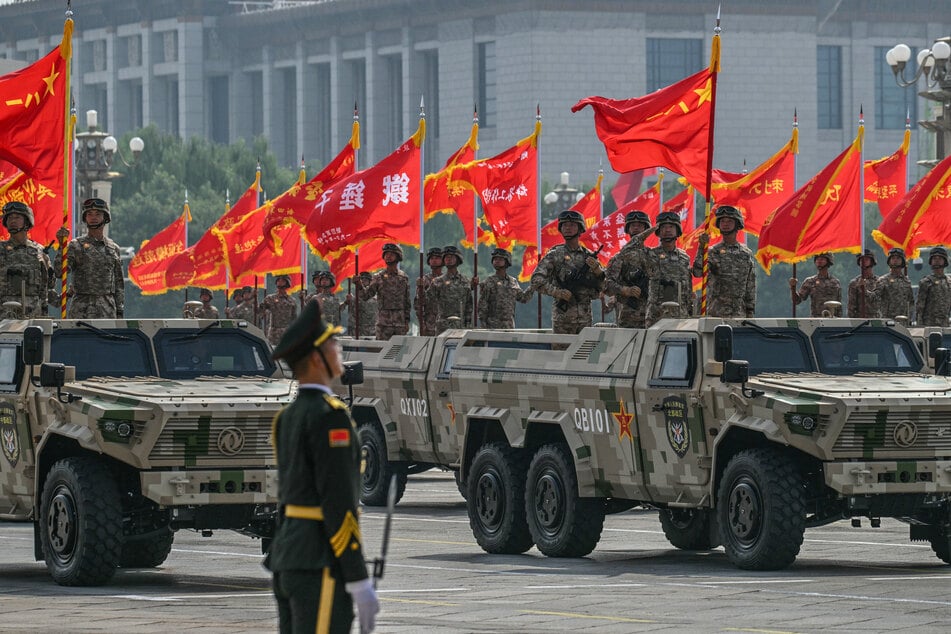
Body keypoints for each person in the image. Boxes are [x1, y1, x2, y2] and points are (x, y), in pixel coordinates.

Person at [268, 300, 379, 634]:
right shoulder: (330, 417)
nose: (339, 350)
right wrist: (358, 577)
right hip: (320, 562)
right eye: (334, 344)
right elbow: (339, 503)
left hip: (289, 555)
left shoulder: (287, 416)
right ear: (317, 359)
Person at [531, 210, 605, 334]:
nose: (567, 228)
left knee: (583, 353)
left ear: (580, 228)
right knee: (560, 353)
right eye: (564, 225)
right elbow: (536, 280)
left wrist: (598, 272)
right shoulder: (555, 255)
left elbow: (605, 288)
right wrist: (558, 292)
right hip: (562, 320)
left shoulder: (589, 257)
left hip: (584, 319)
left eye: (572, 225)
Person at [54, 197, 124, 318]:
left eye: (97, 214)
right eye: (89, 214)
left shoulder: (113, 249)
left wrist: (120, 312)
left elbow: (119, 284)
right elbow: (60, 272)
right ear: (85, 218)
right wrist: (62, 247)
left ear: (105, 218)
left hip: (107, 308)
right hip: (81, 308)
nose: (93, 217)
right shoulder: (75, 245)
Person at [692, 205, 756, 318]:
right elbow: (697, 272)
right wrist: (702, 248)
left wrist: (750, 313)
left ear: (737, 224)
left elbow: (750, 285)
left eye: (729, 221)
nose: (725, 224)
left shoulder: (746, 254)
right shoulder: (712, 252)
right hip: (715, 313)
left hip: (738, 314)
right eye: (722, 221)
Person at [639, 211, 694, 326]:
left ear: (677, 230)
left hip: (681, 316)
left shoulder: (684, 258)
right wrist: (647, 232)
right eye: (663, 227)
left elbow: (688, 287)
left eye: (671, 227)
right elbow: (629, 250)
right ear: (658, 231)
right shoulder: (649, 255)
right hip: (657, 316)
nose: (667, 230)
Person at [0, 201, 53, 319]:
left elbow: (46, 287)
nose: (13, 221)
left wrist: (44, 316)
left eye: (17, 217)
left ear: (27, 221)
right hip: (4, 314)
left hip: (33, 314)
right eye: (9, 218)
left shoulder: (39, 251)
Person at [604, 210, 651, 328]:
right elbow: (606, 285)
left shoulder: (653, 256)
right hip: (628, 316)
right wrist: (625, 290)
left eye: (640, 225)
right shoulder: (619, 257)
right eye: (633, 225)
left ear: (646, 229)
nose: (636, 228)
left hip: (652, 315)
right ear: (628, 229)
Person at [354, 243, 410, 340]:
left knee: (398, 351)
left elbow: (407, 302)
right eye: (386, 254)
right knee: (381, 350)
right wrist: (359, 285)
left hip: (399, 324)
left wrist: (407, 321)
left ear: (398, 257)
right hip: (384, 324)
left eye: (391, 254)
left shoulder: (403, 278)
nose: (388, 256)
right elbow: (366, 295)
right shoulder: (378, 277)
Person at [478, 247, 533, 329]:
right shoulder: (488, 281)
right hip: (492, 326)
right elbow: (482, 305)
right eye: (495, 259)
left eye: (500, 259)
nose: (497, 261)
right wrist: (484, 325)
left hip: (509, 325)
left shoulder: (512, 281)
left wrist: (532, 287)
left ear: (507, 262)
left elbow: (523, 298)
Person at [427, 245, 474, 334]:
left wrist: (468, 323)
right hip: (443, 325)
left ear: (458, 259)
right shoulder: (437, 281)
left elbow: (469, 305)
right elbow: (427, 301)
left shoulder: (465, 281)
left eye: (451, 257)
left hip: (461, 325)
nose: (449, 259)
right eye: (446, 257)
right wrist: (420, 289)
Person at [790, 253, 842, 317]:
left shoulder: (835, 282)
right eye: (817, 259)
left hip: (833, 319)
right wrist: (792, 287)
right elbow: (797, 301)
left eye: (822, 259)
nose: (819, 261)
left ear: (828, 261)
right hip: (816, 320)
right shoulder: (810, 281)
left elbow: (839, 304)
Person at [915, 247, 951, 327]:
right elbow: (920, 307)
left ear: (945, 261)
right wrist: (919, 326)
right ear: (931, 261)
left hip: (945, 324)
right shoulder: (926, 282)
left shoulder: (949, 282)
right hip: (929, 325)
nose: (937, 260)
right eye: (934, 258)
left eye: (940, 258)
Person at [877, 248, 914, 321]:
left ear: (902, 261)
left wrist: (909, 317)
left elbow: (911, 302)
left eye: (898, 258)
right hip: (887, 320)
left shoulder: (906, 281)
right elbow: (875, 299)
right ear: (889, 261)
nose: (895, 260)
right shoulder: (883, 280)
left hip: (903, 320)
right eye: (893, 258)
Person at [260, 274, 298, 346]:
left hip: (287, 333)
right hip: (274, 334)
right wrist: (256, 301)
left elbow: (294, 319)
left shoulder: (292, 301)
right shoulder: (270, 298)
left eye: (282, 280)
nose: (280, 282)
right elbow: (260, 311)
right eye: (278, 280)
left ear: (287, 283)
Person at [415, 247, 444, 336]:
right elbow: (418, 304)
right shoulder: (424, 280)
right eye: (432, 258)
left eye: (437, 258)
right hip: (429, 324)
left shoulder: (447, 279)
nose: (434, 260)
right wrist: (422, 324)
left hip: (445, 324)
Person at [847, 250, 880, 318]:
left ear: (872, 262)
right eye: (861, 260)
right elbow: (851, 307)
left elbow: (878, 299)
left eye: (866, 259)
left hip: (876, 319)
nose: (863, 262)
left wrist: (864, 290)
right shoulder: (854, 283)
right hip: (860, 320)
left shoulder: (879, 281)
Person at [344, 271, 378, 338]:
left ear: (370, 282)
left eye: (365, 280)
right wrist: (347, 302)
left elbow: (366, 306)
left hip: (369, 333)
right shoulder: (353, 298)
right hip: (355, 332)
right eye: (361, 279)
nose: (363, 281)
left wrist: (353, 300)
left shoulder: (374, 299)